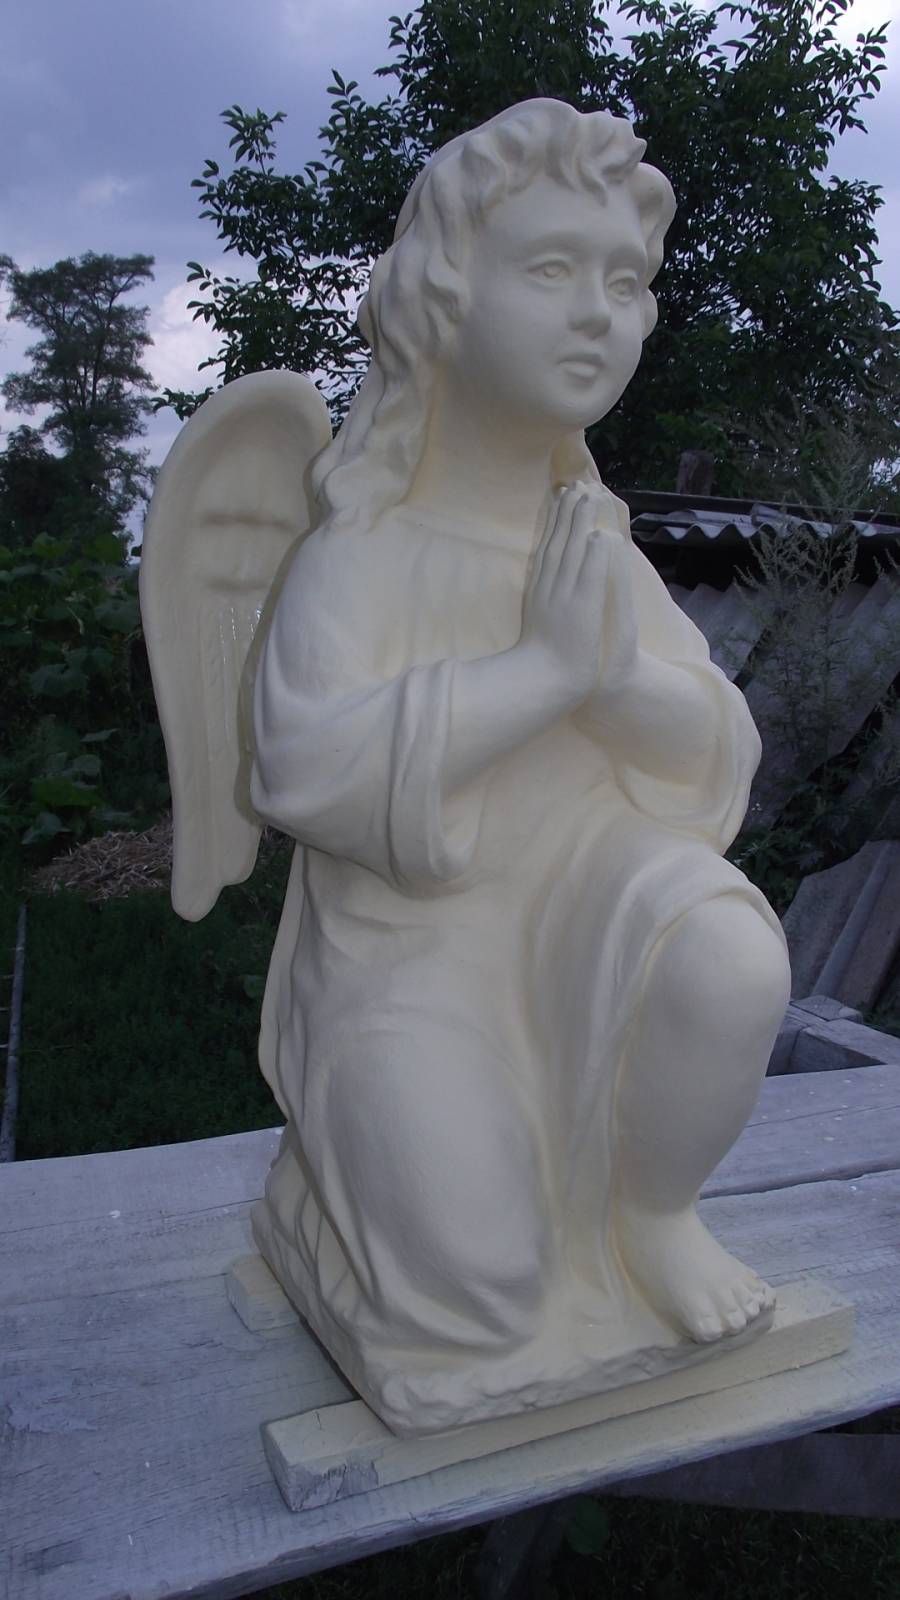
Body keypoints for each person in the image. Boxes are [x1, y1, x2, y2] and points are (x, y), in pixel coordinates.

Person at [249, 98, 791, 1434]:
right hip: (415, 961)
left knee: (730, 949)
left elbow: (717, 746)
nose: (599, 314)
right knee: (477, 1298)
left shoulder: (598, 548)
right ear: (443, 295)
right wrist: (541, 674)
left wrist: (612, 679)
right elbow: (305, 769)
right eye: (551, 270)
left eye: (627, 283)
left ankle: (651, 1215)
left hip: (583, 909)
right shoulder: (361, 552)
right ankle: (319, 1197)